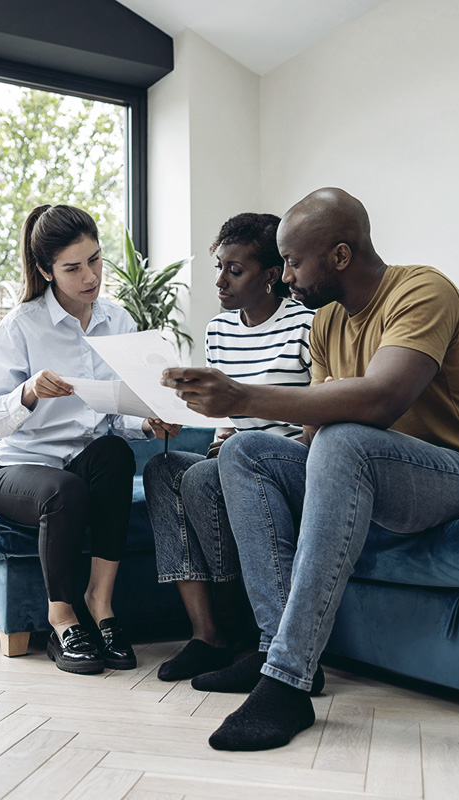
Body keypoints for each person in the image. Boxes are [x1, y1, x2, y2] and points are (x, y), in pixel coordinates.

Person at [161, 188, 459, 750]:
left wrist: (244, 395)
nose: (284, 277)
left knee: (347, 437)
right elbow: (318, 435)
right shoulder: (327, 321)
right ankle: (275, 648)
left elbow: (381, 400)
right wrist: (311, 412)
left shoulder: (422, 290)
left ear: (339, 255)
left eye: (292, 261)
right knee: (246, 452)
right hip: (390, 478)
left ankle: (284, 681)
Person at [0, 204, 176, 676]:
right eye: (73, 267)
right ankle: (61, 617)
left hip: (81, 463)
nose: (90, 276)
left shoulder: (118, 320)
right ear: (46, 270)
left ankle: (100, 606)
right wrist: (27, 393)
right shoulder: (20, 327)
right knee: (65, 489)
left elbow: (117, 410)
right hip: (11, 468)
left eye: (96, 260)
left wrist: (150, 422)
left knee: (114, 452)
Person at [143, 213, 315, 682]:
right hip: (236, 456)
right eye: (218, 266)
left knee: (201, 475)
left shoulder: (308, 325)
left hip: (288, 461)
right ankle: (208, 636)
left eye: (234, 270)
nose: (220, 280)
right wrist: (219, 439)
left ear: (272, 274)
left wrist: (239, 445)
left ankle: (241, 622)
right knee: (165, 471)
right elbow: (227, 421)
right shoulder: (219, 331)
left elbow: (320, 415)